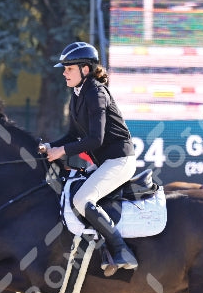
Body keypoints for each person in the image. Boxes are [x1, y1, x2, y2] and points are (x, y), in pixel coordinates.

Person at [44, 41, 138, 274]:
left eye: (69, 68)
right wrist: (49, 146)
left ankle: (121, 249)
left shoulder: (96, 93)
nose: (64, 73)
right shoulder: (77, 94)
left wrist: (62, 151)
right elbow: (73, 135)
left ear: (85, 70)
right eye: (64, 68)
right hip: (105, 162)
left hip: (120, 160)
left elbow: (95, 139)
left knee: (81, 200)